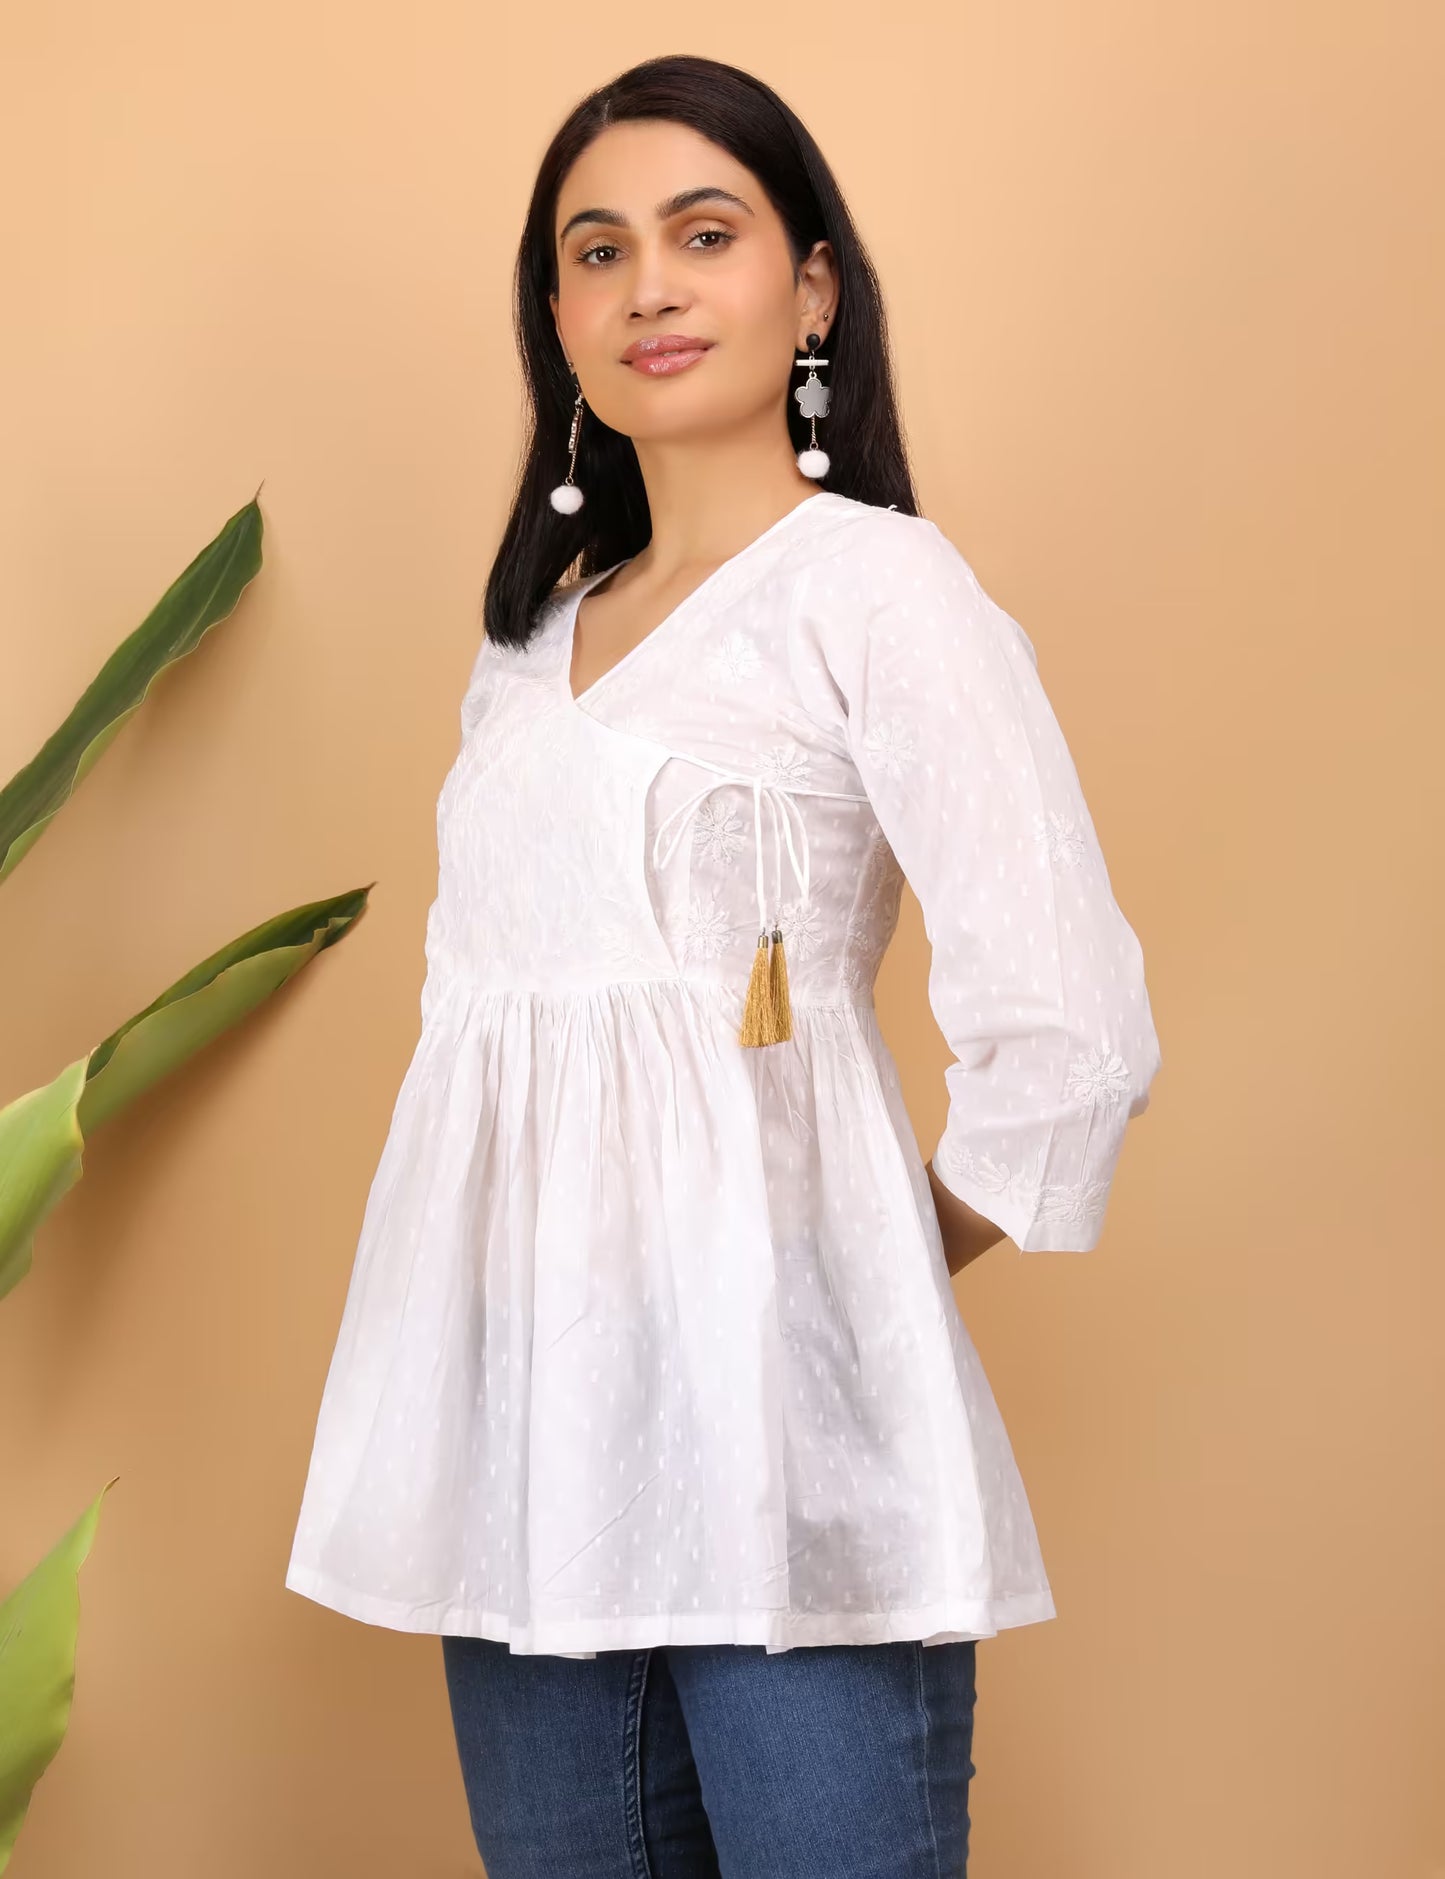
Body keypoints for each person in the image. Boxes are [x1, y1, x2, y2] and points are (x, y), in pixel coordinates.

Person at [285, 52, 1162, 1878]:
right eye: (595, 252)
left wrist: (841, 1281)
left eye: (705, 233)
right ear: (556, 320)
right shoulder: (523, 650)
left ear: (811, 287)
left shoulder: (875, 591)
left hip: (791, 1472)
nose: (650, 288)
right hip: (523, 1473)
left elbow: (1065, 1033)